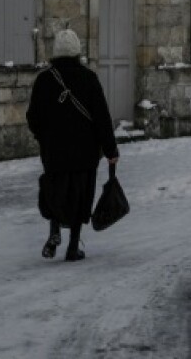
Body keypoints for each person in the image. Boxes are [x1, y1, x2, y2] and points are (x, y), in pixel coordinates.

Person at [26, 29, 119, 262]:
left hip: (54, 152)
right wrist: (111, 150)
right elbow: (102, 118)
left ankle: (55, 228)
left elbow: (32, 117)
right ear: (78, 52)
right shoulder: (89, 78)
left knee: (55, 190)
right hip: (85, 152)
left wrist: (43, 137)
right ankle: (73, 247)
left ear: (55, 53)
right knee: (80, 196)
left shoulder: (44, 80)